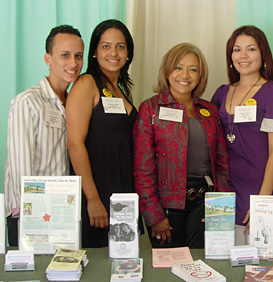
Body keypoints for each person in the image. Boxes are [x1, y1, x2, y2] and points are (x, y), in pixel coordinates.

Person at [133, 43, 230, 248]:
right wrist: (153, 215)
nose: (185, 75)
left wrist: (219, 207)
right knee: (168, 269)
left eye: (193, 69)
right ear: (167, 70)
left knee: (202, 268)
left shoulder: (209, 110)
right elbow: (143, 168)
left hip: (205, 204)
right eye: (178, 67)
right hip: (166, 207)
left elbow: (222, 163)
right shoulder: (149, 109)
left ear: (200, 75)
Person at [4, 25, 84, 246]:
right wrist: (33, 215)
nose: (73, 63)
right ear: (48, 59)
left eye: (78, 56)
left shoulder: (74, 103)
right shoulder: (28, 102)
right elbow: (22, 168)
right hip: (30, 213)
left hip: (62, 211)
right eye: (65, 55)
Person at [66, 19, 140, 248]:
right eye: (106, 46)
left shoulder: (120, 89)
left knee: (123, 261)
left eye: (120, 46)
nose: (114, 53)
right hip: (97, 191)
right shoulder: (86, 83)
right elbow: (75, 144)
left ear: (128, 52)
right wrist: (92, 198)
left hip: (123, 191)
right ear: (95, 52)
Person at [211, 25, 273, 246]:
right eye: (237, 49)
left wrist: (261, 203)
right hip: (226, 193)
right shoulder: (221, 92)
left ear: (263, 55)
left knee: (262, 270)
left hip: (260, 190)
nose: (243, 55)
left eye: (251, 49)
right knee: (224, 264)